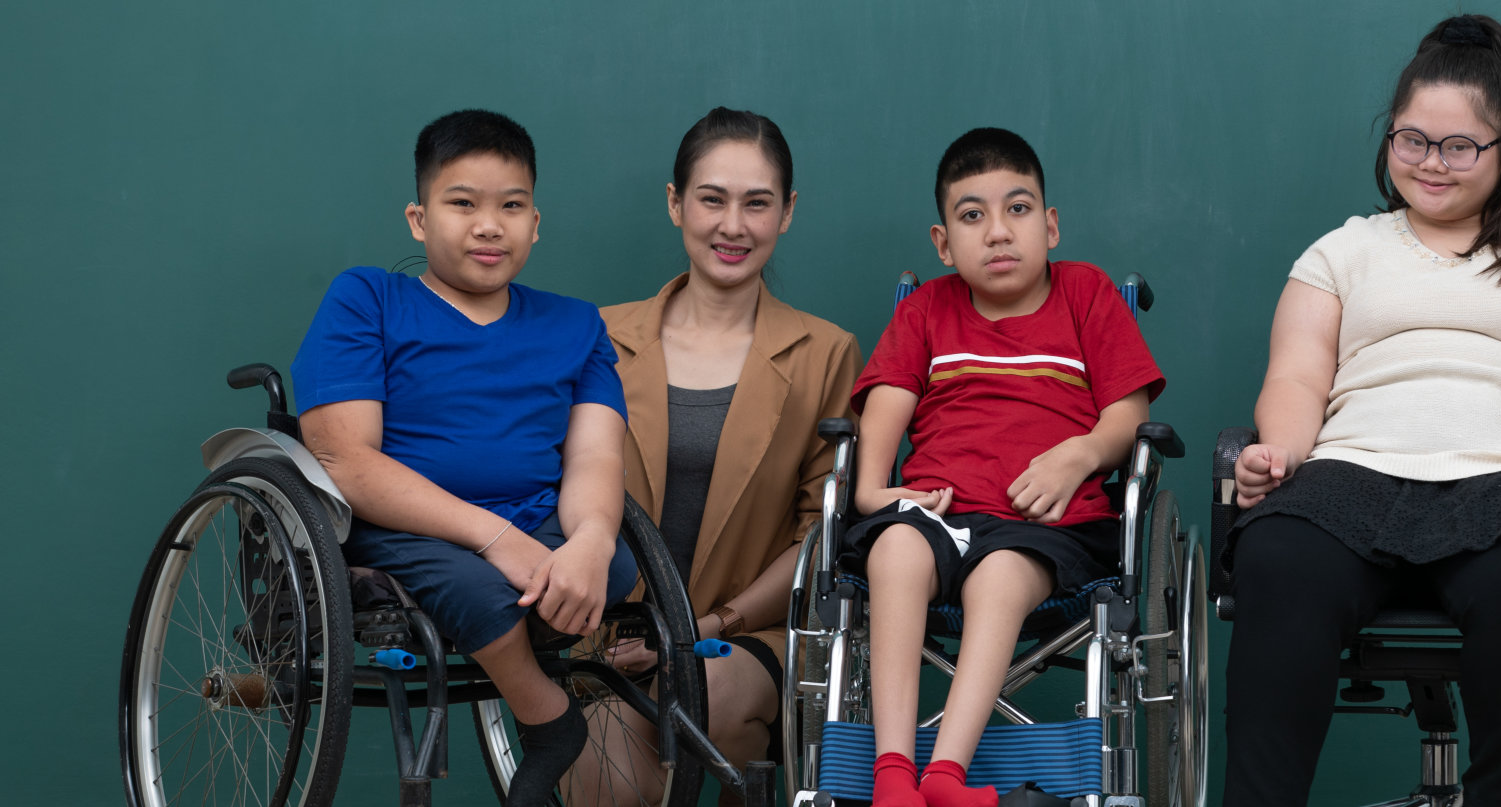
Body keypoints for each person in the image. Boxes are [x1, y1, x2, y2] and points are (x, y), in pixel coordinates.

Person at [1222, 15, 1501, 807]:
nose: (1431, 164)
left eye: (1459, 146)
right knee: (1279, 558)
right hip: (1351, 473)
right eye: (1411, 140)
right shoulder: (1342, 251)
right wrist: (1279, 451)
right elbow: (1298, 373)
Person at [292, 109, 638, 807]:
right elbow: (346, 461)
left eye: (511, 206)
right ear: (419, 220)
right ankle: (548, 716)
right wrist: (494, 537)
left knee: (619, 563)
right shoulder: (368, 299)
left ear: (536, 223)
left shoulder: (576, 324)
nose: (489, 225)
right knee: (481, 587)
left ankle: (538, 611)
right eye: (463, 204)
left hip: (537, 515)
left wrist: (593, 542)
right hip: (399, 525)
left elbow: (596, 456)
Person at [846, 127, 1166, 807]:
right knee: (895, 547)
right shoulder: (929, 309)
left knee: (997, 575)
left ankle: (945, 775)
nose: (997, 232)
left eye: (1017, 209)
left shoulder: (1085, 294)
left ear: (1049, 225)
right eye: (972, 216)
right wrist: (873, 491)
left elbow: (1128, 417)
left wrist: (1076, 454)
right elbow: (887, 403)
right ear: (942, 242)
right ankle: (893, 775)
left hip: (1044, 527)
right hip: (938, 511)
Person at [588, 107, 862, 800]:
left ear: (788, 211)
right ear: (677, 202)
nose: (733, 226)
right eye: (712, 199)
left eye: (757, 203)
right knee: (608, 770)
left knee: (702, 690)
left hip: (743, 638)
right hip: (609, 639)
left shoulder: (826, 352)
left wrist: (700, 628)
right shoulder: (597, 335)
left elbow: (817, 534)